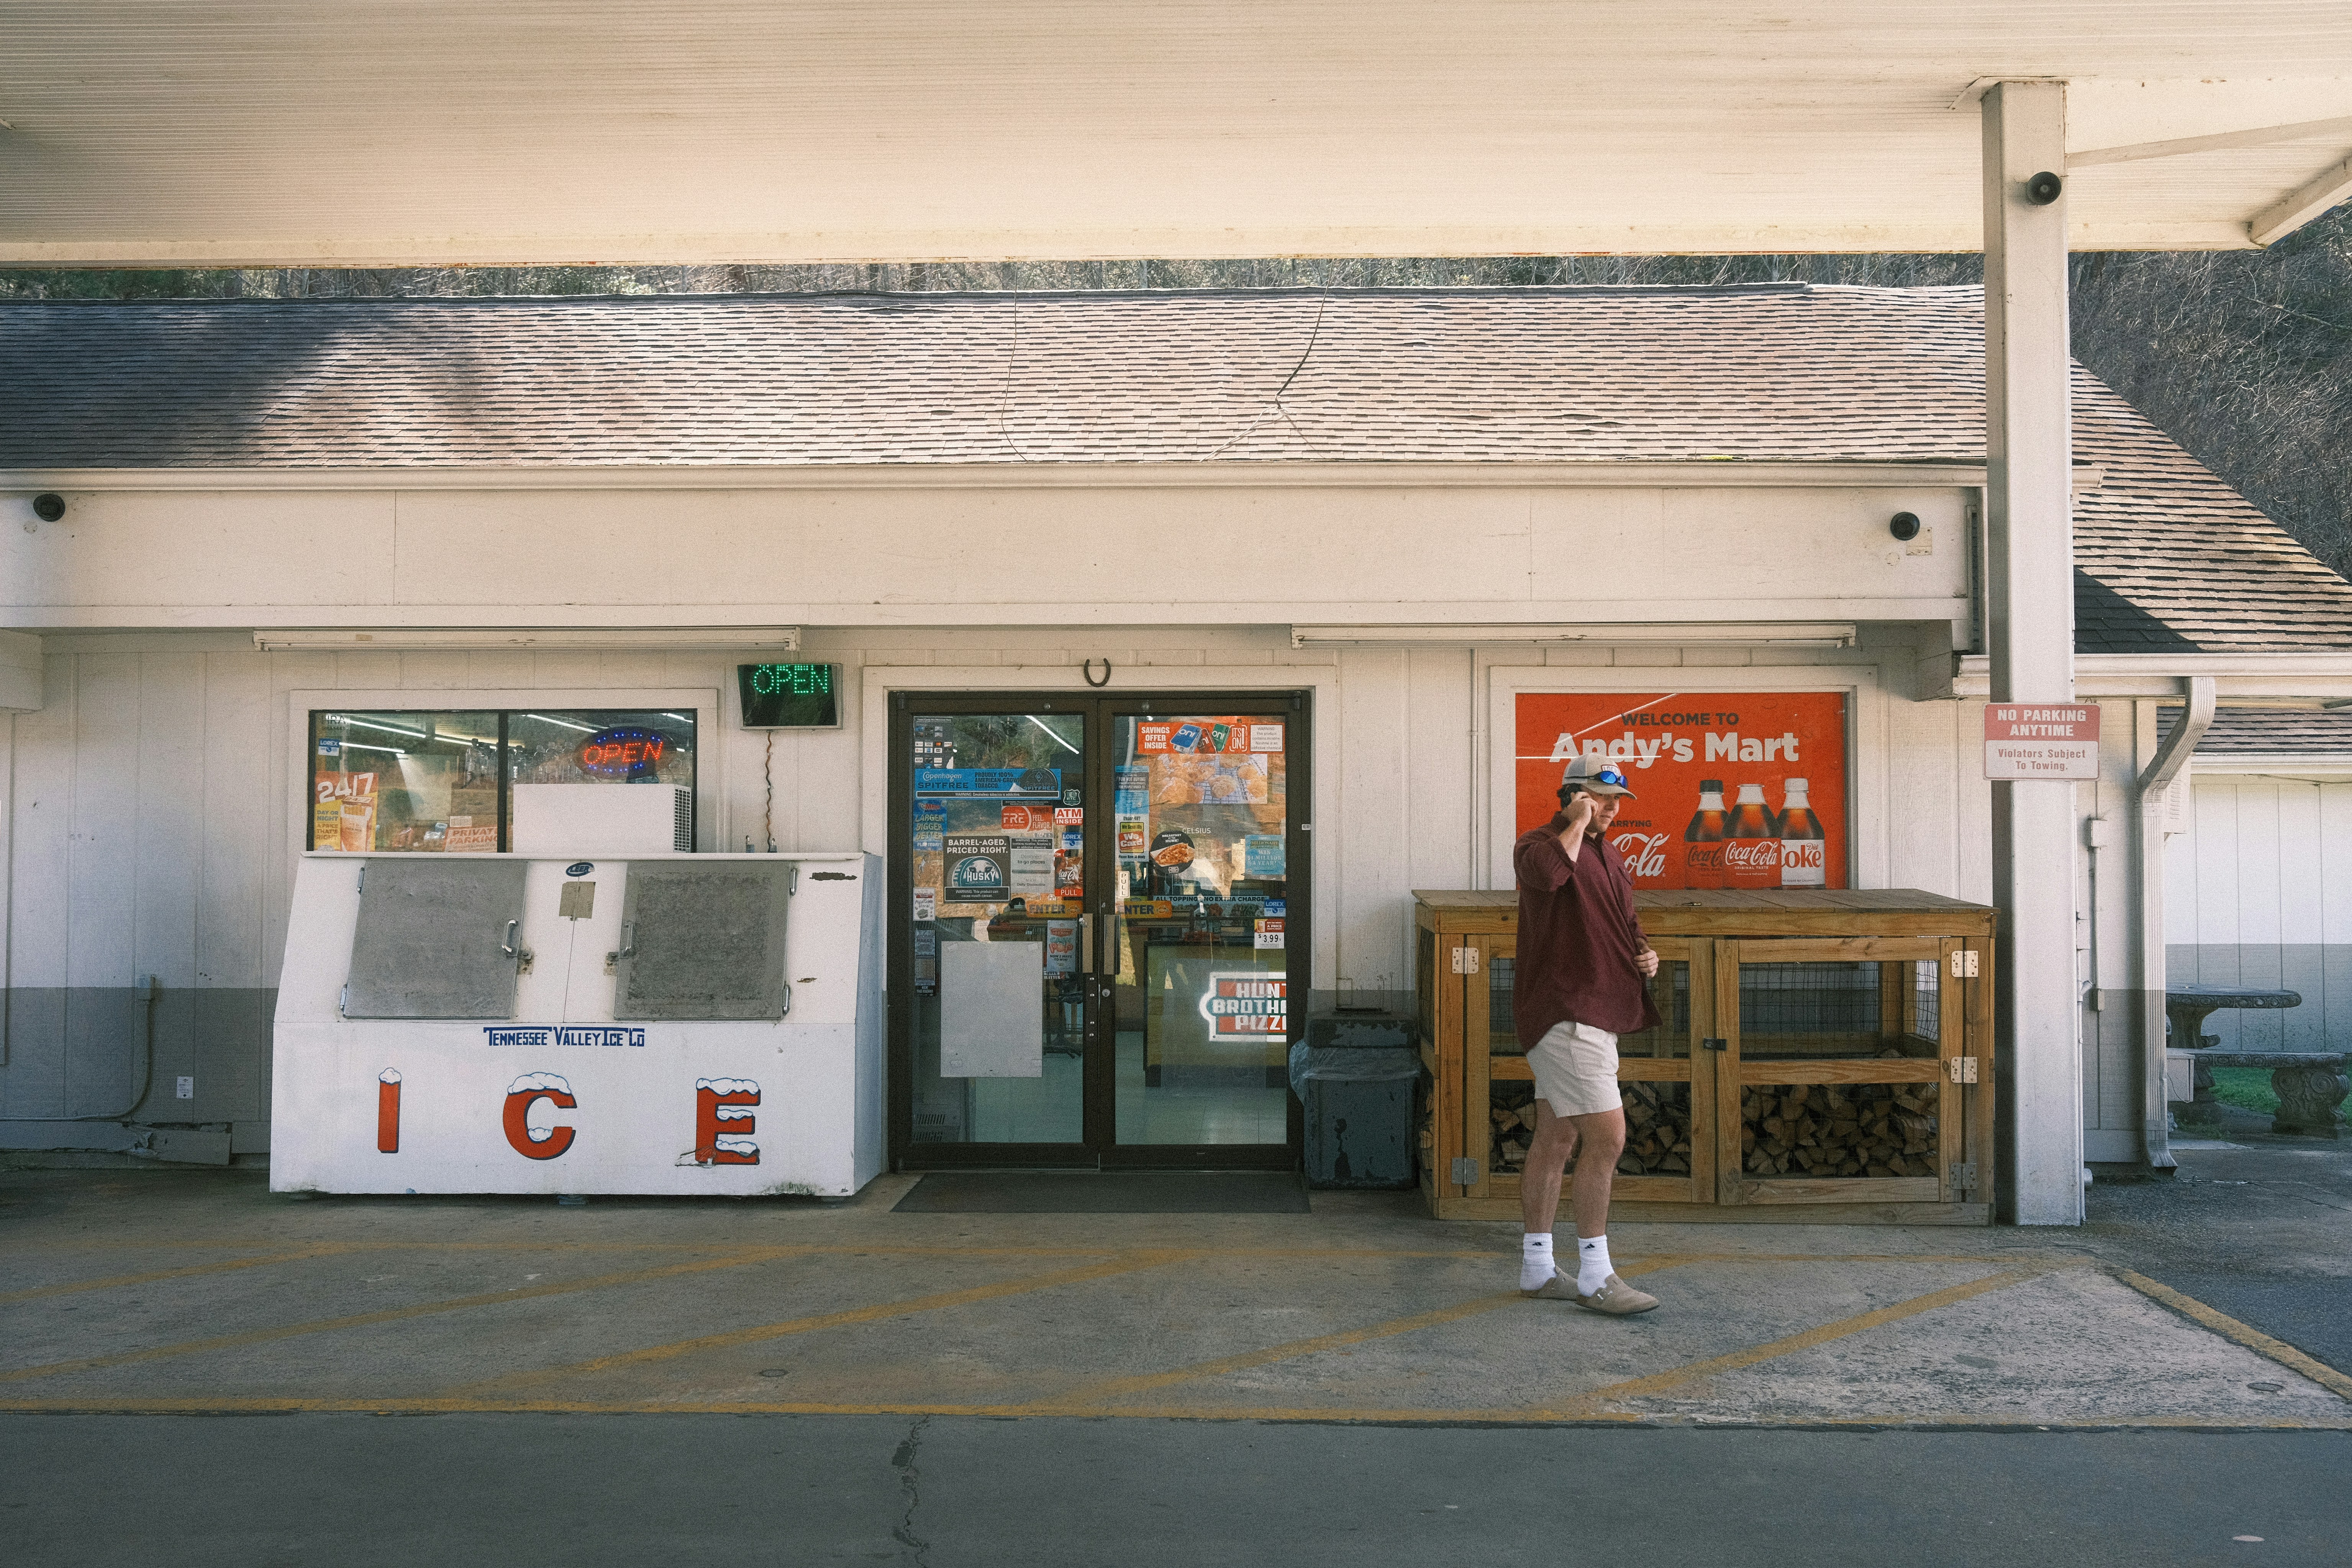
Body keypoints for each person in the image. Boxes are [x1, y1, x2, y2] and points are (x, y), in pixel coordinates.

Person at [1511, 754, 1663, 1314]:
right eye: (1603, 799)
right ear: (1575, 796)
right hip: (1567, 1015)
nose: (1613, 810)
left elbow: (1625, 919)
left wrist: (1644, 953)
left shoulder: (1610, 854)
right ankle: (1597, 1275)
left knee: (1556, 1139)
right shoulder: (1539, 845)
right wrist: (1575, 821)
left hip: (1594, 1013)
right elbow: (1548, 877)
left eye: (1618, 801)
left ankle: (1536, 1268)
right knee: (1608, 1139)